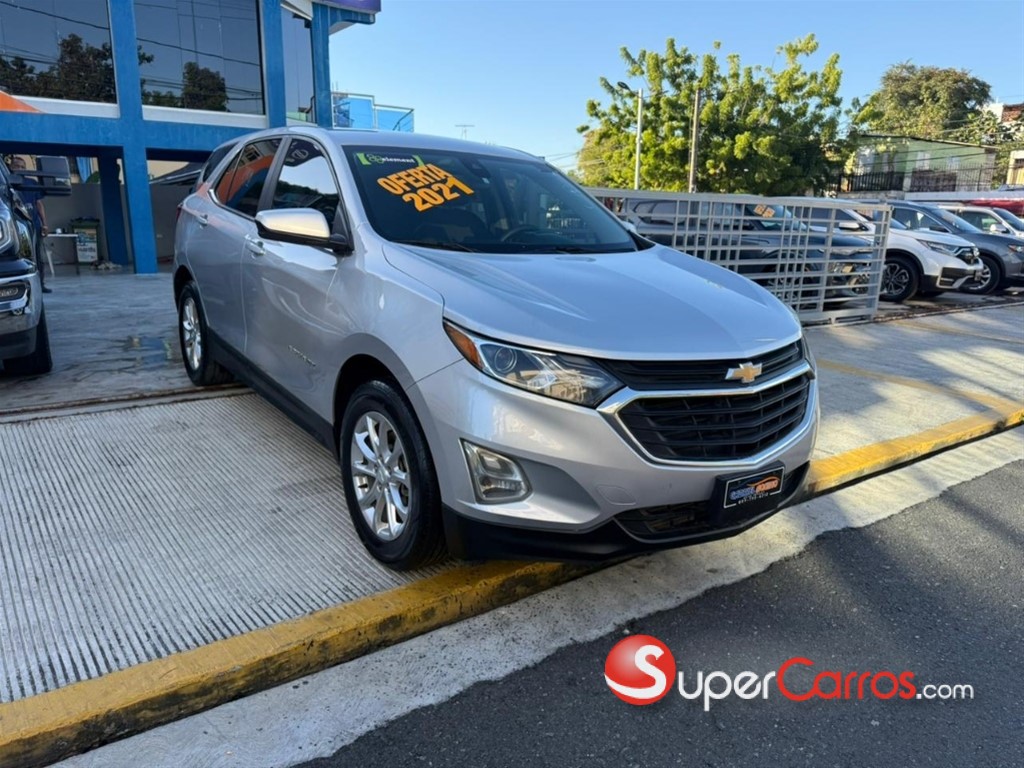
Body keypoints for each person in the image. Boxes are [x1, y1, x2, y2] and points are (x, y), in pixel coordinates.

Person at [9, 155, 51, 293]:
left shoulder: (32, 183)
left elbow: (39, 204)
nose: (20, 169)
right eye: (16, 166)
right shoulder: (7, 183)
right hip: (14, 227)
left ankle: (40, 285)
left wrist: (44, 224)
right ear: (10, 167)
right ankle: (20, 286)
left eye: (23, 167)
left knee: (38, 256)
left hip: (34, 226)